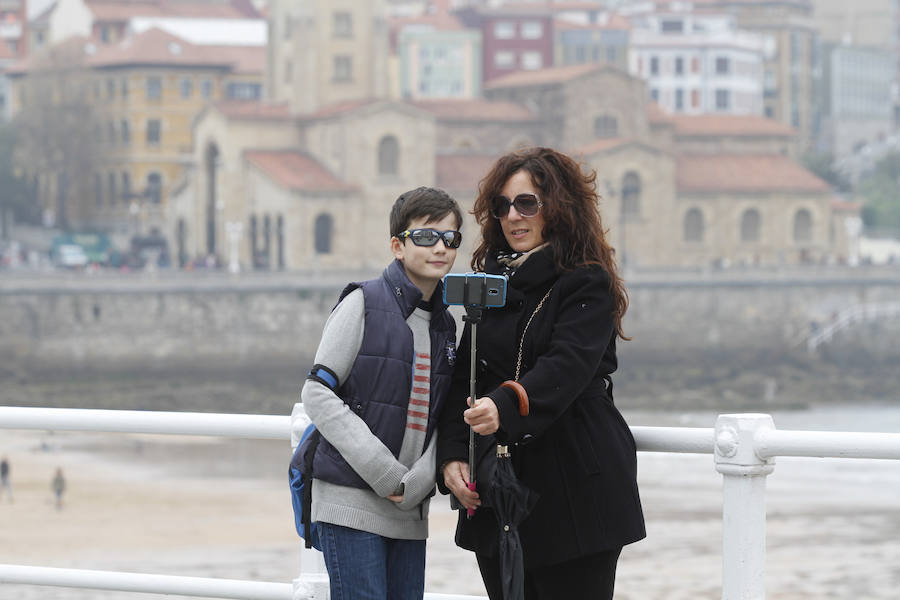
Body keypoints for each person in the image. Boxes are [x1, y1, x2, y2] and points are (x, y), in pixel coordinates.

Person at [436, 147, 646, 600]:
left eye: (527, 203)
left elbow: (567, 366)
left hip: (576, 480)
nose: (513, 216)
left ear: (559, 208)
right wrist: (453, 454)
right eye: (503, 205)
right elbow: (464, 374)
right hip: (498, 484)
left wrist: (505, 404)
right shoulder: (490, 284)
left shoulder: (587, 281)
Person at [297, 187, 463, 600]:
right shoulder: (363, 302)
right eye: (425, 236)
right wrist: (386, 474)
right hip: (351, 504)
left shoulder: (445, 326)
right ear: (398, 246)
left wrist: (419, 482)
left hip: (409, 510)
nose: (440, 247)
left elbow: (442, 416)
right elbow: (318, 393)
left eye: (450, 238)